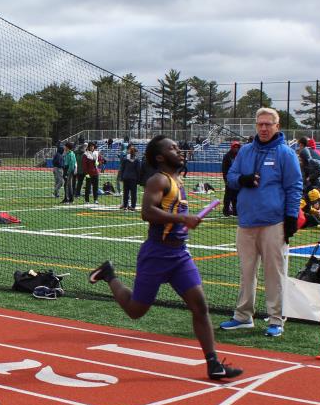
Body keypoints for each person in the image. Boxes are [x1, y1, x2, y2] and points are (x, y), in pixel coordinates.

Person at [89, 136, 242, 381]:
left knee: (200, 306)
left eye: (178, 146)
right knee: (136, 311)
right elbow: (147, 212)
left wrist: (184, 221)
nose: (179, 150)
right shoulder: (158, 180)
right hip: (156, 254)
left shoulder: (178, 179)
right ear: (160, 157)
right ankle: (109, 274)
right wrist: (183, 219)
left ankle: (213, 364)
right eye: (173, 148)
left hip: (179, 255)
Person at [221, 107, 303, 337]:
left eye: (268, 124)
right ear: (256, 126)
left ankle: (276, 319)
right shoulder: (245, 151)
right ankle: (243, 316)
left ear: (277, 126)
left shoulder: (285, 153)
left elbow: (294, 186)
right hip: (246, 222)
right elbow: (230, 177)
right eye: (260, 124)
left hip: (273, 222)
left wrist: (291, 217)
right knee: (246, 272)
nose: (264, 128)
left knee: (274, 273)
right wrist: (242, 180)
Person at [221, 141, 240, 216]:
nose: (236, 148)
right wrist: (225, 180)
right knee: (228, 196)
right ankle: (226, 211)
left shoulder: (239, 155)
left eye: (237, 147)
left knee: (236, 196)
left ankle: (235, 211)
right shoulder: (227, 156)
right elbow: (224, 169)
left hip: (236, 179)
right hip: (229, 179)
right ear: (232, 147)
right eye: (234, 147)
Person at [118, 143, 140, 211]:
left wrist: (121, 177)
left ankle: (125, 206)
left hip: (126, 178)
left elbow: (122, 169)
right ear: (135, 153)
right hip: (133, 179)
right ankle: (133, 206)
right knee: (133, 193)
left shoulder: (125, 159)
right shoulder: (137, 160)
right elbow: (138, 170)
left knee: (126, 193)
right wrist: (139, 180)